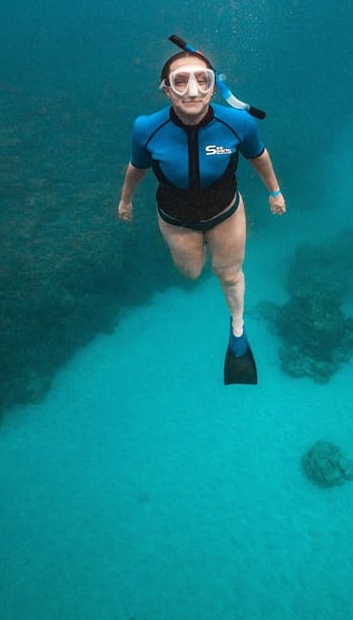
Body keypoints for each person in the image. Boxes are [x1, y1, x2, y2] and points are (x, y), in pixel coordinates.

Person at [117, 42, 286, 384]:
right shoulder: (147, 128)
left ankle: (238, 330)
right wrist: (126, 200)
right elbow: (136, 167)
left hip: (226, 213)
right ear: (166, 89)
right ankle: (202, 252)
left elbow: (259, 158)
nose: (192, 91)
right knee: (191, 273)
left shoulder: (239, 123)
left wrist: (275, 191)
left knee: (228, 273)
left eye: (202, 80)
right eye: (180, 82)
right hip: (175, 219)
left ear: (213, 84)